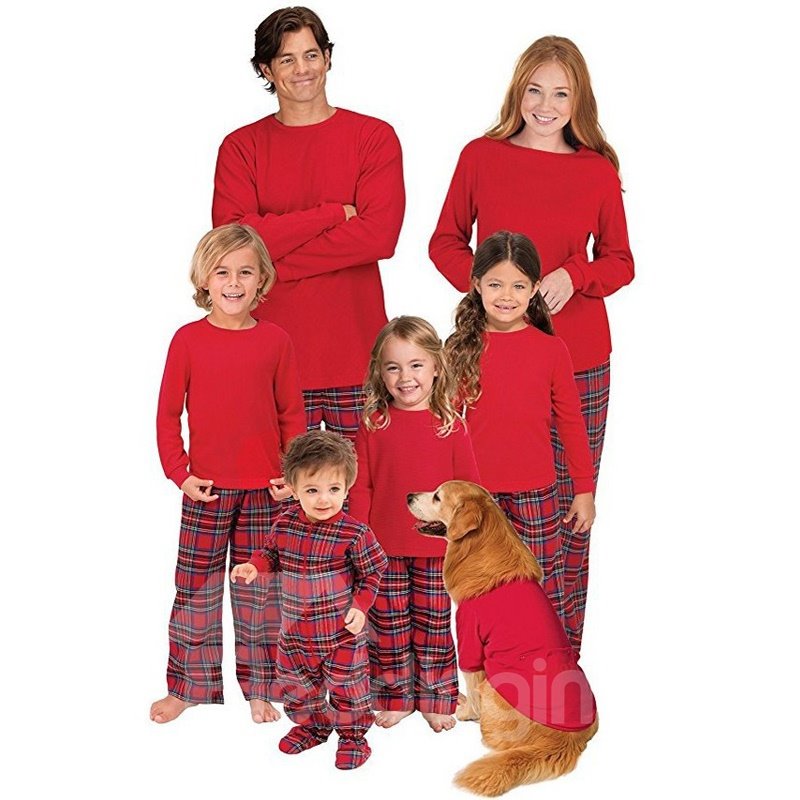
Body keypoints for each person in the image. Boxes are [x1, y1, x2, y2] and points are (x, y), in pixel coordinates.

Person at [430, 36, 634, 651]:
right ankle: (494, 653)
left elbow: (621, 261)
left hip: (580, 358)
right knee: (487, 508)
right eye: (535, 90)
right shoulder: (481, 157)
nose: (546, 105)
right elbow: (444, 242)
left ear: (580, 101)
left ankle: (559, 652)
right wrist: (493, 291)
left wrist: (577, 275)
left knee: (569, 509)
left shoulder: (597, 171)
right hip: (489, 357)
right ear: (518, 92)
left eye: (561, 94)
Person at [213, 6, 405, 442]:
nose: (302, 69)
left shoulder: (373, 137)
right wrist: (333, 214)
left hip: (356, 356)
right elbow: (233, 246)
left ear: (328, 58)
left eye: (311, 55)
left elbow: (379, 236)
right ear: (266, 70)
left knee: (364, 483)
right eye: (287, 59)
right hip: (270, 358)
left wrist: (272, 262)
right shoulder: (240, 148)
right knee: (274, 484)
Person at [150, 224, 306, 725]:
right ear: (204, 279)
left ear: (262, 280)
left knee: (260, 594)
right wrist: (179, 474)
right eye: (222, 272)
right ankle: (188, 686)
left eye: (245, 272)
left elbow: (292, 415)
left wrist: (292, 474)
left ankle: (262, 687)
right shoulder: (187, 340)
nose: (234, 283)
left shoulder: (277, 340)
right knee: (195, 590)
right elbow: (167, 415)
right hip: (205, 491)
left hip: (265, 491)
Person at [445, 231, 595, 635]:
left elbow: (571, 423)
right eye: (495, 284)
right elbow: (446, 421)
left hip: (537, 492)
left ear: (534, 288)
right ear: (477, 285)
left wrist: (584, 490)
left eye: (518, 285)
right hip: (480, 496)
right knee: (483, 589)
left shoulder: (551, 350)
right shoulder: (461, 348)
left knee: (543, 590)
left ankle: (554, 663)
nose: (506, 296)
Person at [348, 317, 480, 732]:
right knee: (387, 626)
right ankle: (394, 695)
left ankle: (437, 696)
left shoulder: (451, 425)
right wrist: (358, 540)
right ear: (380, 372)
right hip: (382, 548)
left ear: (437, 367)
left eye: (416, 365)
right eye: (393, 367)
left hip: (437, 551)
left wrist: (467, 541)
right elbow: (362, 487)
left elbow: (468, 489)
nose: (405, 378)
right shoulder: (373, 424)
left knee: (434, 625)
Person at [232, 430, 388, 770]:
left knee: (348, 687)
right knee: (297, 685)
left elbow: (373, 573)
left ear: (347, 488)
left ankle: (353, 738)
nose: (323, 499)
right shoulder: (285, 524)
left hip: (340, 633)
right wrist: (253, 566)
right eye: (312, 490)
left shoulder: (355, 533)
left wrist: (360, 606)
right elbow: (269, 554)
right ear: (293, 488)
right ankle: (313, 727)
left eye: (333, 489)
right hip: (295, 632)